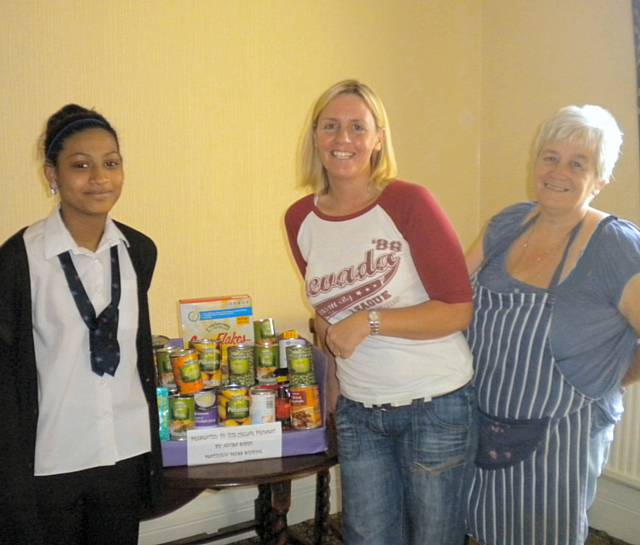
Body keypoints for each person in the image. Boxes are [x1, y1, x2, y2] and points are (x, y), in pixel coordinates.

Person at [284, 79, 476, 545]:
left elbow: (456, 311)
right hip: (359, 413)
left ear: (378, 138)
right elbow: (328, 315)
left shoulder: (408, 202)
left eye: (357, 127)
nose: (342, 139)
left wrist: (370, 322)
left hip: (434, 405)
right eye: (331, 126)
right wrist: (328, 393)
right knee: (367, 537)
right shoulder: (299, 220)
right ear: (315, 137)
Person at [464, 105, 640, 545]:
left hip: (563, 436)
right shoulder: (506, 224)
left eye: (577, 163)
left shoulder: (616, 245)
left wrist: (613, 379)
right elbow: (452, 296)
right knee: (483, 528)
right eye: (550, 157)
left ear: (599, 180)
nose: (557, 171)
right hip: (482, 417)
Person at [0, 104, 163, 545]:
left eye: (111, 163)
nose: (99, 178)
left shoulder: (138, 252)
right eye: (80, 165)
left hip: (123, 448)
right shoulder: (19, 261)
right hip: (52, 457)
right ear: (51, 174)